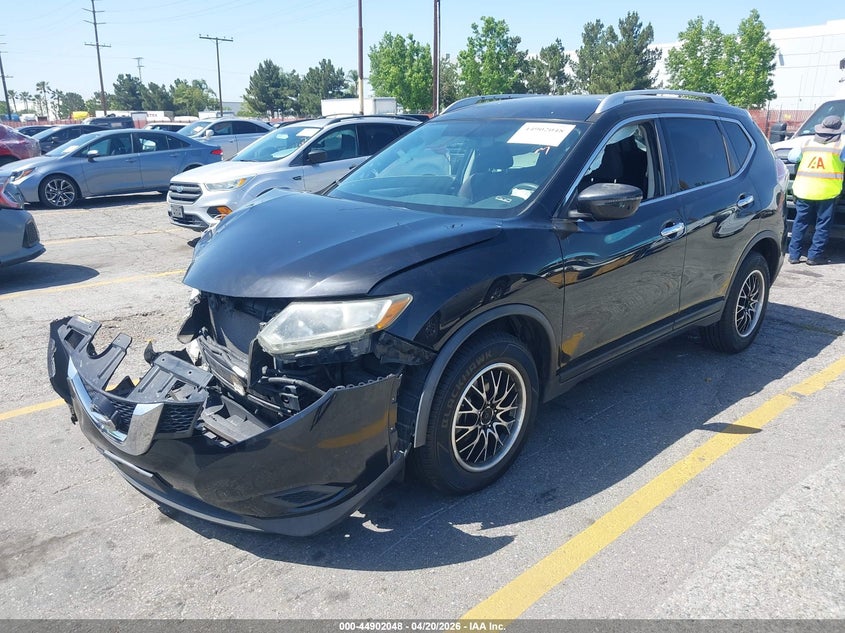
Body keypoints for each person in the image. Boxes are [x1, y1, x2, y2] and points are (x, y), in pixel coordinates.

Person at [787, 115, 845, 265]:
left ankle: (793, 255)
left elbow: (792, 157)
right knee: (822, 226)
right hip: (827, 192)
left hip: (803, 190)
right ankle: (813, 257)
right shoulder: (841, 145)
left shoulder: (806, 141)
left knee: (800, 223)